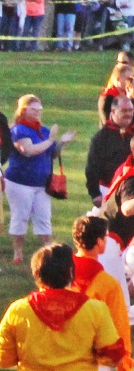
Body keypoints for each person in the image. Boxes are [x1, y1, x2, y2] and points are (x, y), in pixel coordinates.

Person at [0, 243, 126, 371]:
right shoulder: (95, 309)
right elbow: (114, 355)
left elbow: (4, 358)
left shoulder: (18, 310)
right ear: (71, 273)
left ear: (37, 273)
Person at [71, 216, 132, 371]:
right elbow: (120, 327)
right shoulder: (107, 284)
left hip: (56, 354)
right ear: (99, 242)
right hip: (95, 360)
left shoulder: (56, 273)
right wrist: (125, 368)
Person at [8, 95, 76, 264]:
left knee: (44, 218)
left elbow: (51, 153)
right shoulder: (18, 130)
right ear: (24, 110)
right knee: (20, 216)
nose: (38, 112)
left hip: (42, 183)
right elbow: (28, 150)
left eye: (40, 109)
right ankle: (18, 253)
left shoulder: (44, 130)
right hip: (20, 182)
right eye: (34, 109)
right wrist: (51, 140)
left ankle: (49, 252)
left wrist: (61, 143)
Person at [85, 99, 134, 207]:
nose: (128, 114)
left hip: (130, 189)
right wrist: (95, 194)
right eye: (124, 110)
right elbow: (92, 167)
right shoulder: (102, 137)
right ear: (113, 112)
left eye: (131, 110)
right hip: (107, 190)